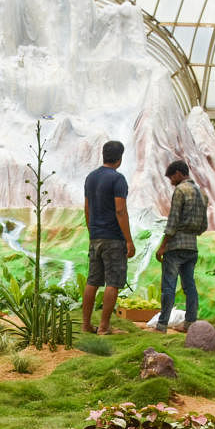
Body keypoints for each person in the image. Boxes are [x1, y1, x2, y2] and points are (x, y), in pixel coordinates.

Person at [82, 140, 136, 335]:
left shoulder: (91, 178)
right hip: (113, 238)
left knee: (93, 281)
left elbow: (87, 208)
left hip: (95, 236)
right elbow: (120, 210)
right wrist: (128, 240)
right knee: (113, 281)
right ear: (120, 158)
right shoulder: (118, 179)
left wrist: (92, 232)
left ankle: (86, 324)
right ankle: (104, 327)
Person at [153, 160, 207, 332]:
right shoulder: (201, 193)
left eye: (171, 177)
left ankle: (162, 325)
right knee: (189, 286)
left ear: (178, 173)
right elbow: (204, 225)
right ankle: (190, 323)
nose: (171, 181)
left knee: (168, 286)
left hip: (176, 246)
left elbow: (173, 221)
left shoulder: (180, 191)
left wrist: (162, 246)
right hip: (192, 246)